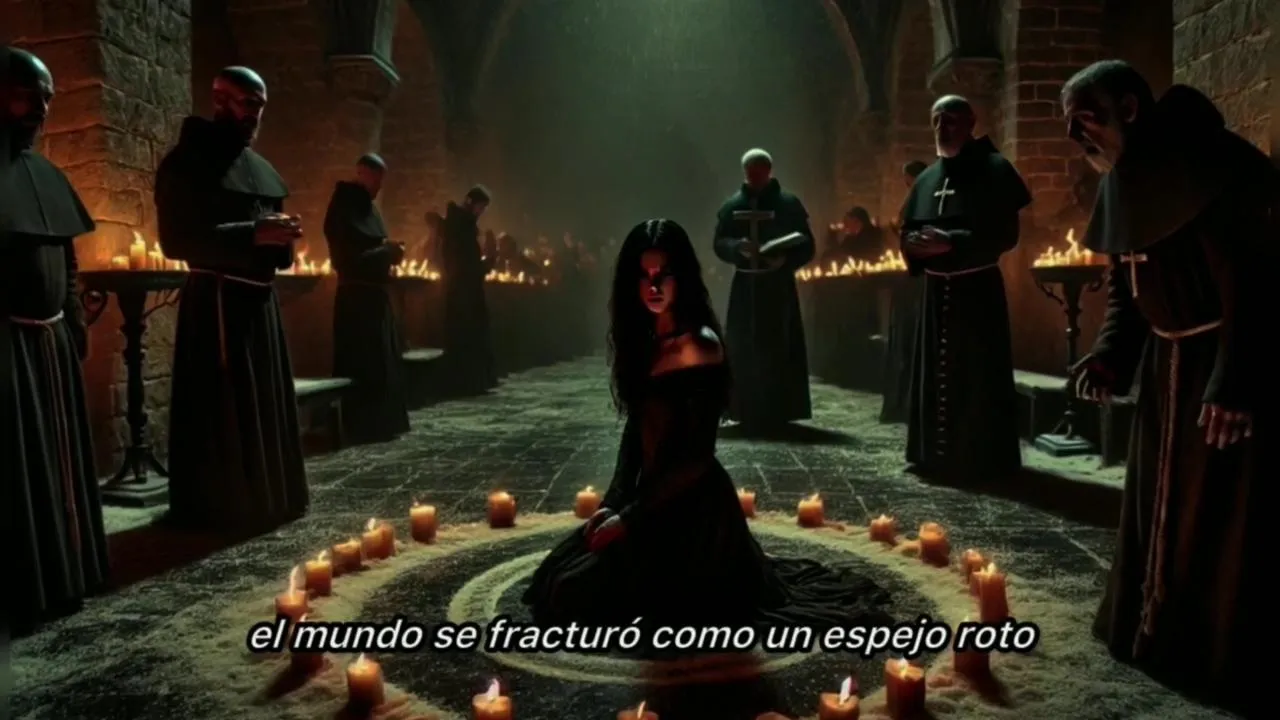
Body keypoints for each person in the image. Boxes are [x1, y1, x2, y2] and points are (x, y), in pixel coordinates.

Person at [522, 218, 893, 636]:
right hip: (647, 498)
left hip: (691, 508)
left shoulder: (699, 347)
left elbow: (695, 459)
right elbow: (635, 432)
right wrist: (613, 502)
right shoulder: (644, 342)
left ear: (682, 278)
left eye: (664, 274)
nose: (653, 285)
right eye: (644, 275)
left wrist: (629, 519)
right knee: (556, 577)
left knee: (580, 594)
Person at [1064, 60, 1274, 719]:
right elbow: (1127, 291)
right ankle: (1151, 628)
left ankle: (1209, 653)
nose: (1077, 136)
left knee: (1220, 519)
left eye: (1086, 118)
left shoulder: (1207, 164)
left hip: (1221, 366)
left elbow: (1254, 280)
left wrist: (1235, 381)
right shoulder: (1122, 182)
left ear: (1129, 108)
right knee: (1160, 503)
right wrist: (1110, 356)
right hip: (1166, 367)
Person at [154, 66, 307, 532]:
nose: (254, 115)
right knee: (223, 410)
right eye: (247, 103)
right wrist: (253, 232)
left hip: (259, 304)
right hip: (216, 303)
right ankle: (226, 505)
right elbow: (177, 240)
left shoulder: (262, 170)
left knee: (261, 402)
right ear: (220, 101)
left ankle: (268, 495)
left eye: (260, 106)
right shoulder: (187, 163)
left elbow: (275, 249)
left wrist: (283, 238)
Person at [2, 45, 110, 635]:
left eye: (46, 98)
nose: (40, 109)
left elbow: (67, 260)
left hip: (49, 345)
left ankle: (68, 573)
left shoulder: (47, 175)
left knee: (58, 465)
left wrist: (72, 323)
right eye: (27, 96)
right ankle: (27, 588)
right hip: (7, 349)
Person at [899, 96, 1028, 482]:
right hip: (935, 292)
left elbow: (1006, 234)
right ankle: (932, 454)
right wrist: (913, 246)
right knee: (934, 374)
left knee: (977, 378)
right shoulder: (927, 179)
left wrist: (952, 242)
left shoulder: (995, 169)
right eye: (937, 120)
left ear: (971, 123)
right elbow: (907, 230)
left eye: (951, 120)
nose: (943, 128)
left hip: (977, 293)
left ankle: (979, 458)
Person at [712, 149, 815, 433]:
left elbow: (807, 245)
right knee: (743, 347)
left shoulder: (789, 204)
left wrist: (784, 259)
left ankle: (779, 409)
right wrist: (737, 247)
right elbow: (719, 242)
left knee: (778, 346)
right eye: (751, 172)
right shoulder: (733, 206)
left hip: (777, 287)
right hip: (746, 287)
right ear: (745, 172)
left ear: (769, 171)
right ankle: (743, 408)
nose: (755, 177)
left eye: (760, 172)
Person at [323, 153, 409, 444]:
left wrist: (390, 256)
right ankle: (363, 425)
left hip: (375, 298)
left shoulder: (369, 210)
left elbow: (374, 250)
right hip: (355, 302)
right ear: (362, 173)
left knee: (382, 363)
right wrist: (387, 252)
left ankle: (383, 423)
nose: (380, 186)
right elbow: (347, 260)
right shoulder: (343, 209)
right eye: (377, 179)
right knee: (362, 364)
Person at [881, 161, 930, 423]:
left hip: (922, 279)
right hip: (913, 279)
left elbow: (907, 226)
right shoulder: (915, 197)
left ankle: (910, 402)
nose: (906, 184)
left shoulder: (924, 196)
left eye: (907, 179)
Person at [439, 185, 496, 394]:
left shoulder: (463, 226)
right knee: (466, 336)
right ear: (471, 203)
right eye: (481, 207)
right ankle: (467, 383)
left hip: (466, 290)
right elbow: (463, 263)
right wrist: (485, 265)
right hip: (463, 292)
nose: (482, 212)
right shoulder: (460, 228)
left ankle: (473, 381)